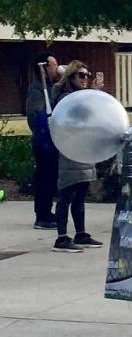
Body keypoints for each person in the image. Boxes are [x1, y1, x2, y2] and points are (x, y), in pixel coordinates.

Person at [49, 61, 104, 252]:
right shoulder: (66, 98)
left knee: (80, 194)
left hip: (83, 149)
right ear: (71, 77)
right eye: (81, 75)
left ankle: (80, 233)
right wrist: (92, 94)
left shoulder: (80, 96)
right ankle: (61, 238)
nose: (85, 78)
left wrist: (93, 92)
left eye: (87, 75)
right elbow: (80, 116)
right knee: (67, 194)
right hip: (70, 150)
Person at [25, 52, 60, 229]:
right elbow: (34, 116)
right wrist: (43, 130)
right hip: (43, 142)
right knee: (44, 178)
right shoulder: (37, 89)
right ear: (44, 67)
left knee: (51, 178)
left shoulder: (51, 87)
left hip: (52, 142)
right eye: (54, 65)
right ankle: (42, 215)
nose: (57, 68)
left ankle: (47, 211)